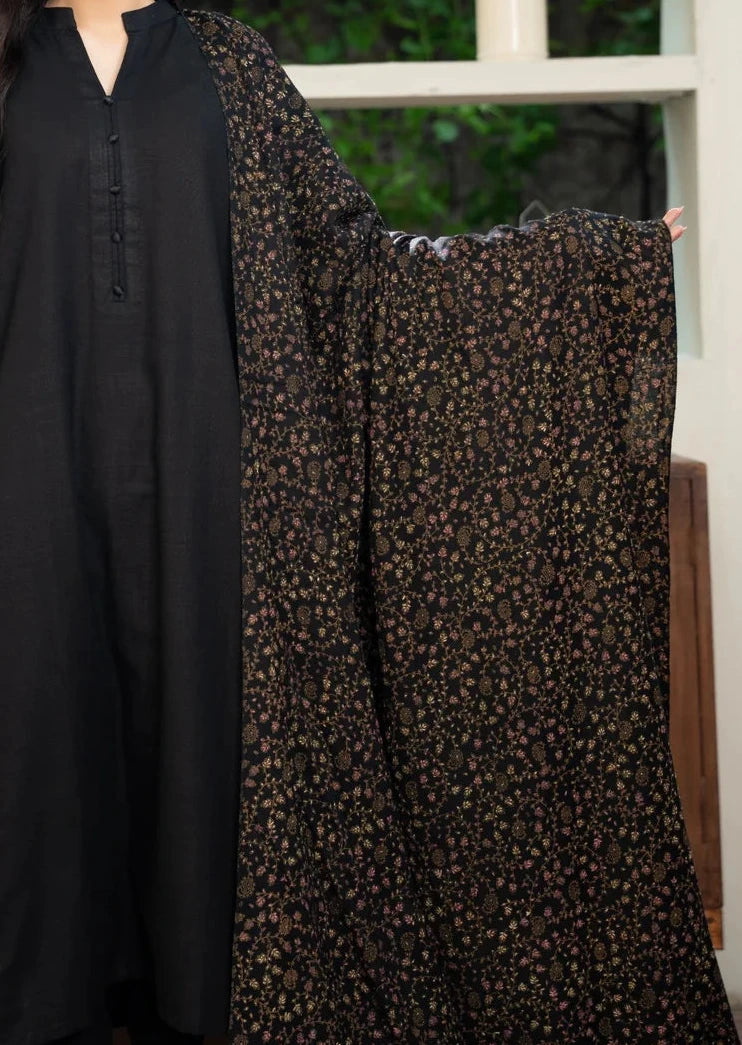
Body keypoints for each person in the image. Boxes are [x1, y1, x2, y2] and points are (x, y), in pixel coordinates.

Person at [1, 1, 738, 1044]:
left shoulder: (228, 65)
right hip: (27, 501)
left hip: (225, 506)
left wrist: (578, 270)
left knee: (206, 771)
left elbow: (350, 270)